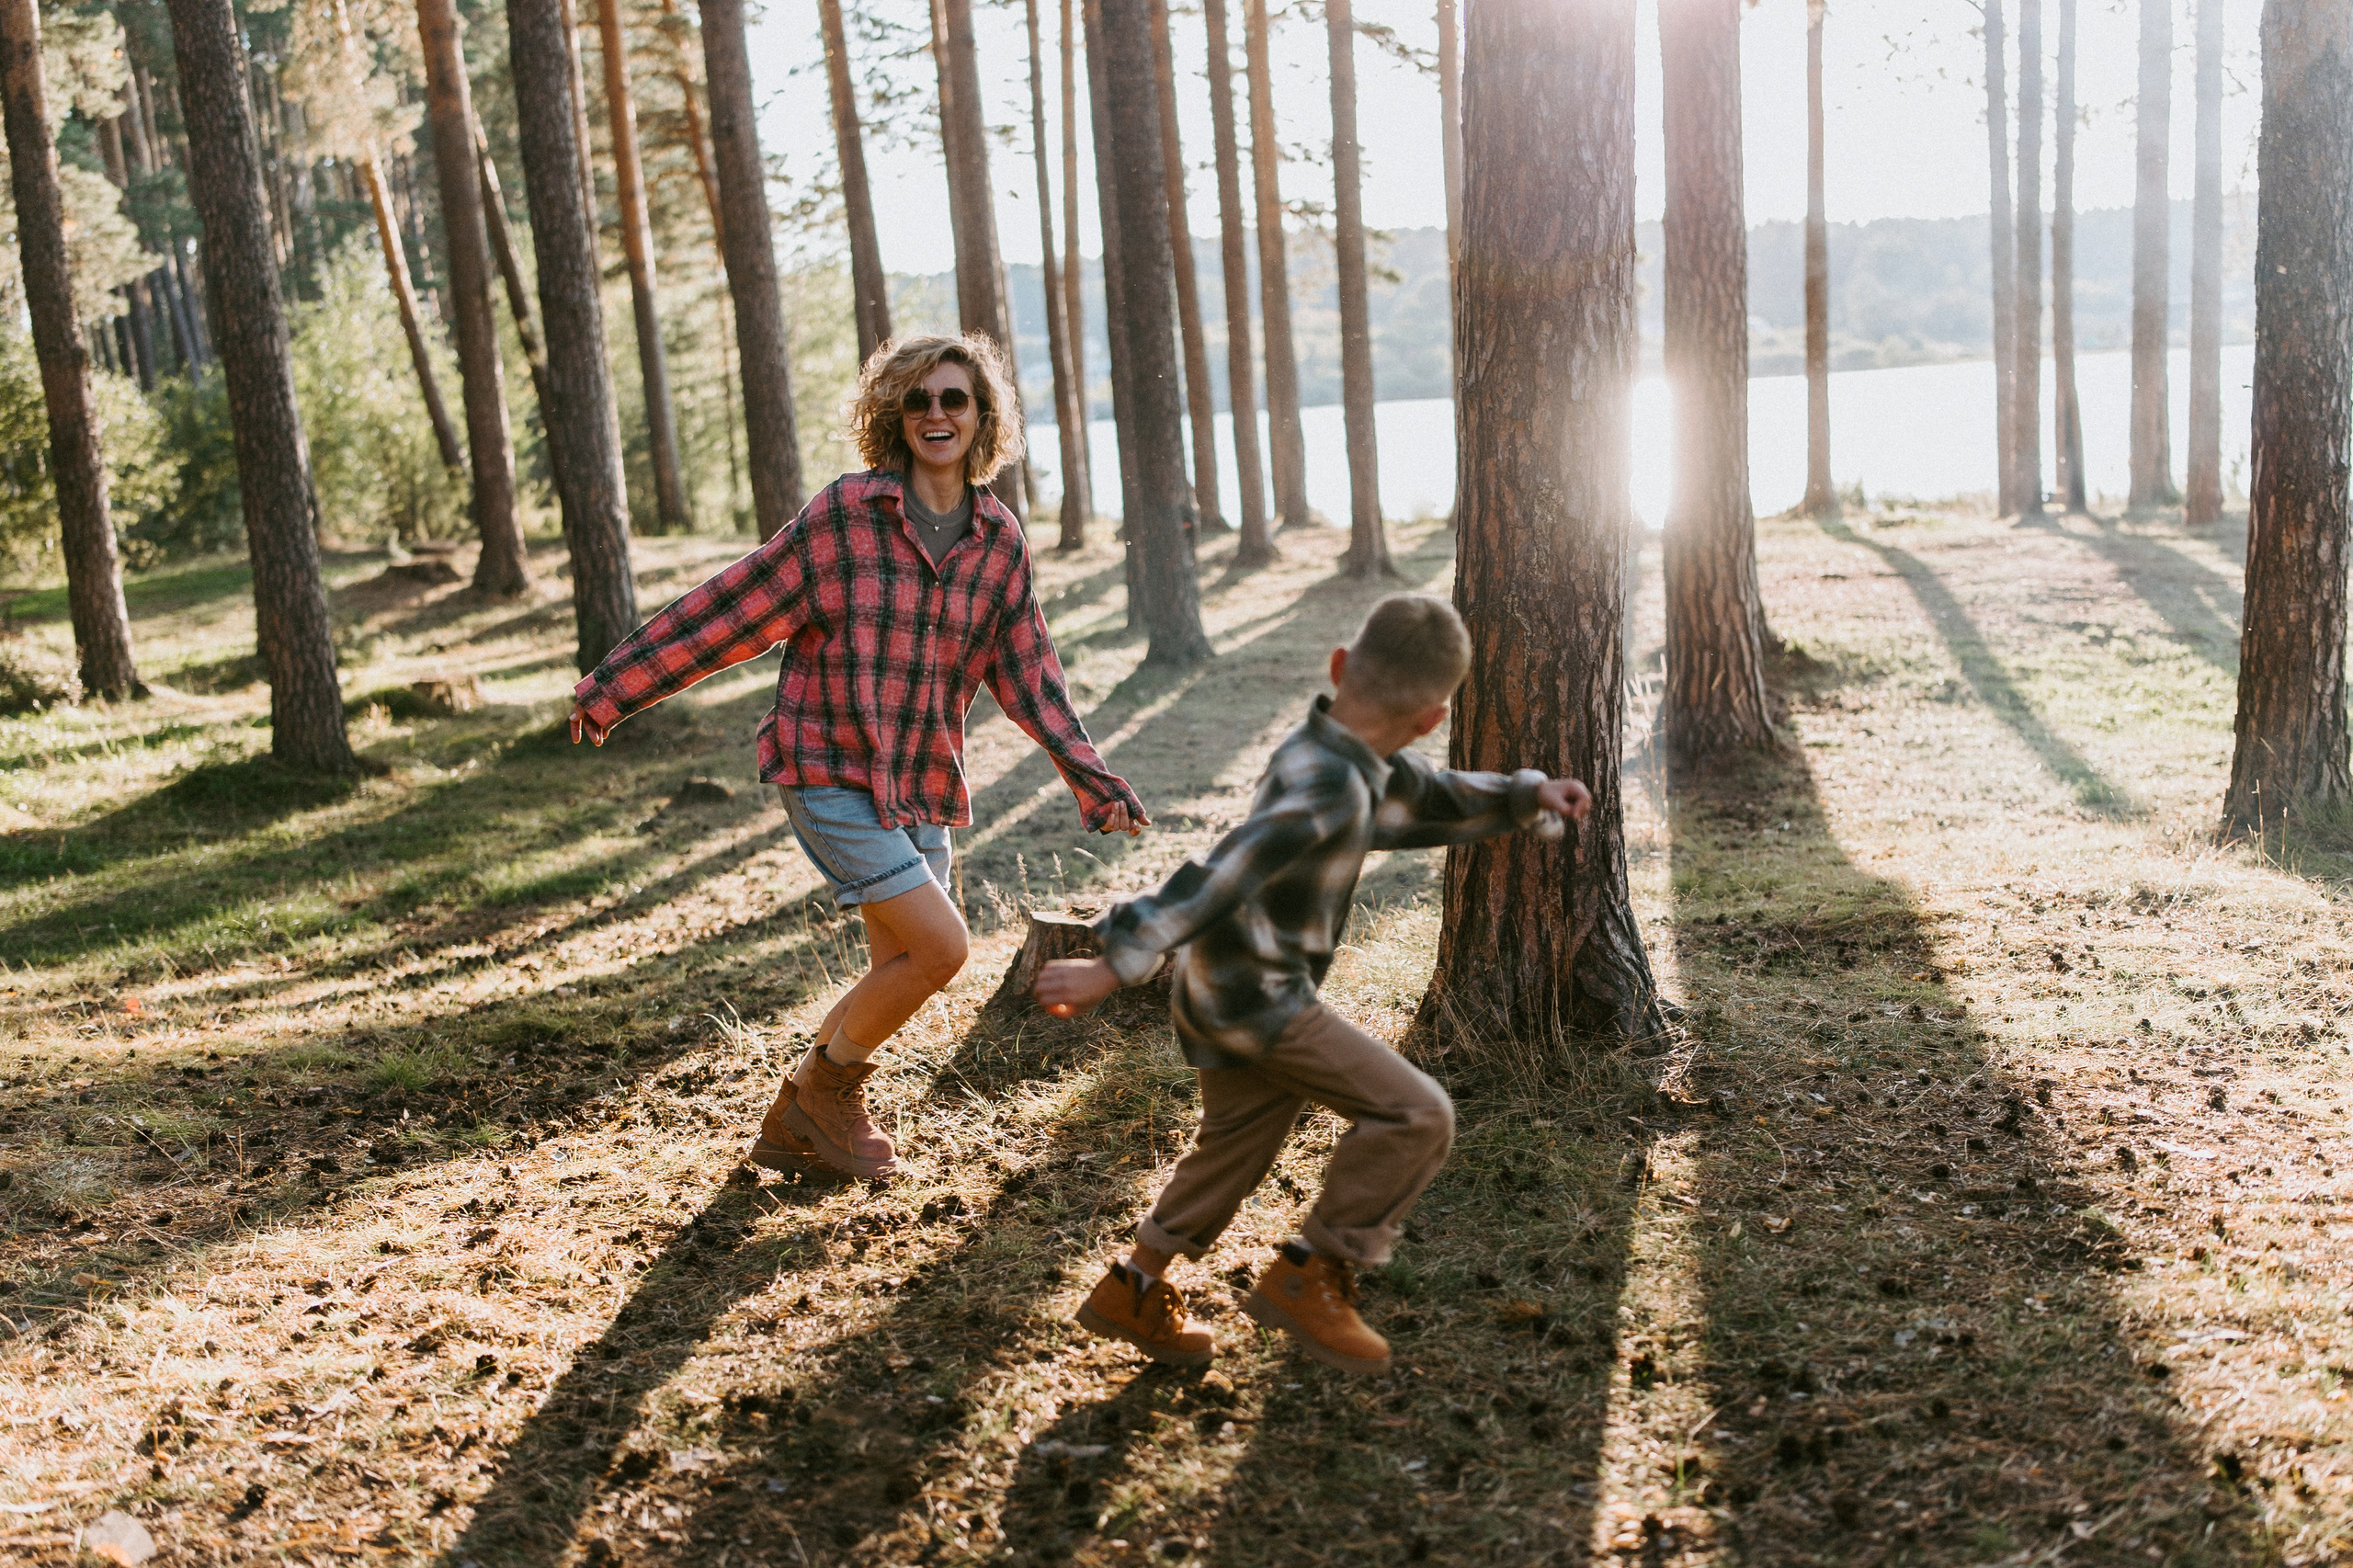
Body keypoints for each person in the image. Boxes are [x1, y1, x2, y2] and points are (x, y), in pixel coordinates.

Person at [570, 333, 1147, 1183]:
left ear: (982, 417)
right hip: (827, 770)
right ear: (894, 416)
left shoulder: (998, 540)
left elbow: (1031, 675)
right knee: (942, 950)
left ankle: (796, 1119)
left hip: (921, 783)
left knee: (900, 970)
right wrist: (615, 687)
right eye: (918, 400)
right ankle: (825, 1098)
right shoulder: (845, 514)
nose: (936, 414)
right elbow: (734, 608)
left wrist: (1093, 782)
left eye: (954, 399)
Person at [1032, 594, 1590, 1374]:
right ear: (1432, 718)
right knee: (1417, 1114)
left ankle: (1134, 1287)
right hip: (1259, 999)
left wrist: (1525, 795)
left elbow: (1422, 796)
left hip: (1217, 990)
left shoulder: (1327, 755)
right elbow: (1222, 871)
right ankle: (1313, 1272)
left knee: (1232, 1148)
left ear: (1338, 667)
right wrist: (1112, 962)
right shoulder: (1330, 787)